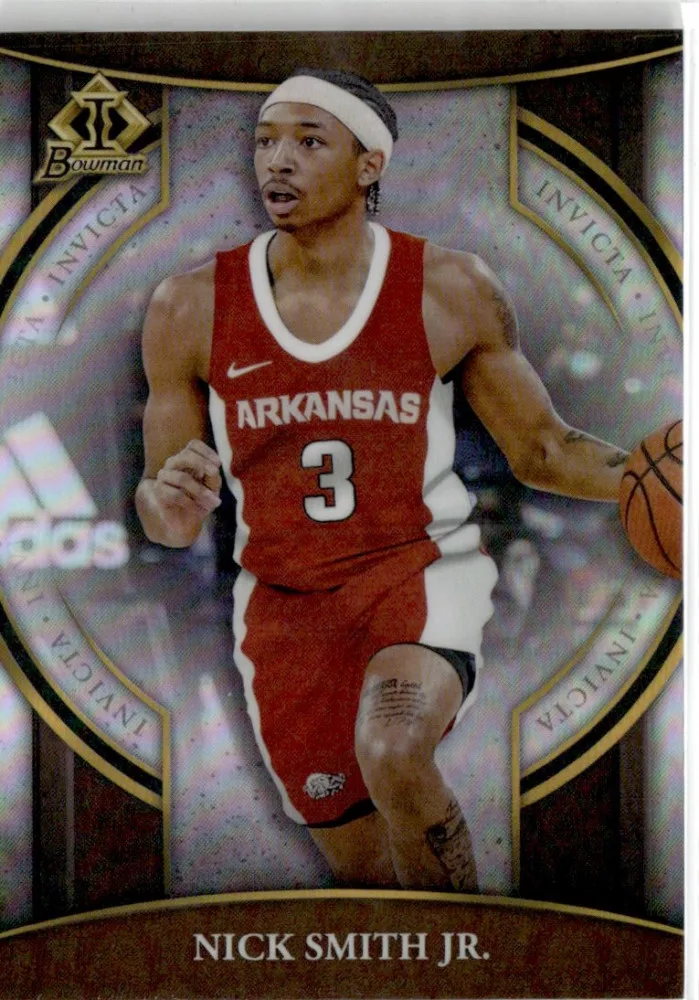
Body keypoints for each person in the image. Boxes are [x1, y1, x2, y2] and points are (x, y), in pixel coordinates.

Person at [135, 69, 628, 892]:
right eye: (265, 141)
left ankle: (470, 943)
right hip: (284, 612)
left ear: (369, 165)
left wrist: (651, 477)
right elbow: (167, 516)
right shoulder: (188, 305)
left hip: (415, 575)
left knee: (392, 748)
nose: (276, 161)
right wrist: (168, 499)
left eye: (308, 141)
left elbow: (543, 451)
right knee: (362, 877)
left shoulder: (448, 287)